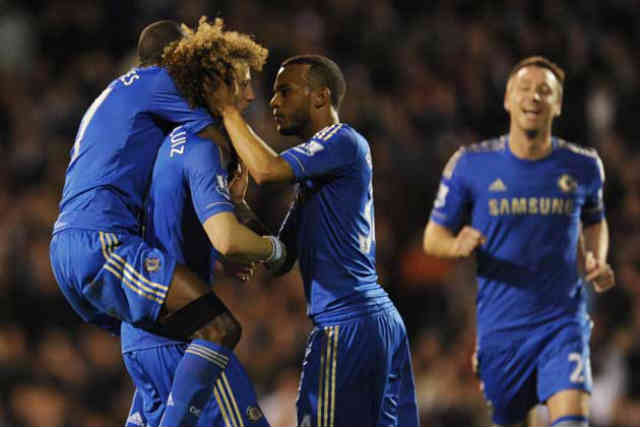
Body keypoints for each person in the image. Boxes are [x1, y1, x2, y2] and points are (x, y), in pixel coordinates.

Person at [49, 18, 282, 427]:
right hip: (103, 242)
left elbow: (172, 194)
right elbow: (219, 137)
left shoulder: (119, 96)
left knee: (178, 331)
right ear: (180, 60)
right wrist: (246, 219)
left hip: (76, 245)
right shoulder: (163, 83)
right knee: (219, 327)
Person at [210, 54, 419, 426]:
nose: (273, 102)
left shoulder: (342, 141)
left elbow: (268, 170)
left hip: (347, 324)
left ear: (321, 97)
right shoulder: (316, 180)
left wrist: (228, 112)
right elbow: (281, 258)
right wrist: (239, 207)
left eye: (285, 91)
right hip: (370, 322)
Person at [423, 56, 615, 426]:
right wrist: (456, 245)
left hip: (562, 322)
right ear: (508, 99)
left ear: (557, 105)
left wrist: (595, 257)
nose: (534, 97)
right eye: (524, 88)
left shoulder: (583, 166)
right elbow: (432, 236)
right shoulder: (469, 165)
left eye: (545, 91)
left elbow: (595, 221)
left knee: (572, 420)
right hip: (502, 330)